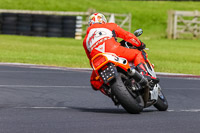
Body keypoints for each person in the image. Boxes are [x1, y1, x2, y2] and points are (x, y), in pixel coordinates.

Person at [83, 13, 158, 94]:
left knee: (93, 81)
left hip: (98, 59)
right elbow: (127, 36)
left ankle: (110, 92)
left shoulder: (85, 39)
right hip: (113, 50)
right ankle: (144, 74)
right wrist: (140, 44)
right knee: (137, 54)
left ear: (90, 24)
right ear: (103, 21)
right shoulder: (109, 26)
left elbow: (91, 60)